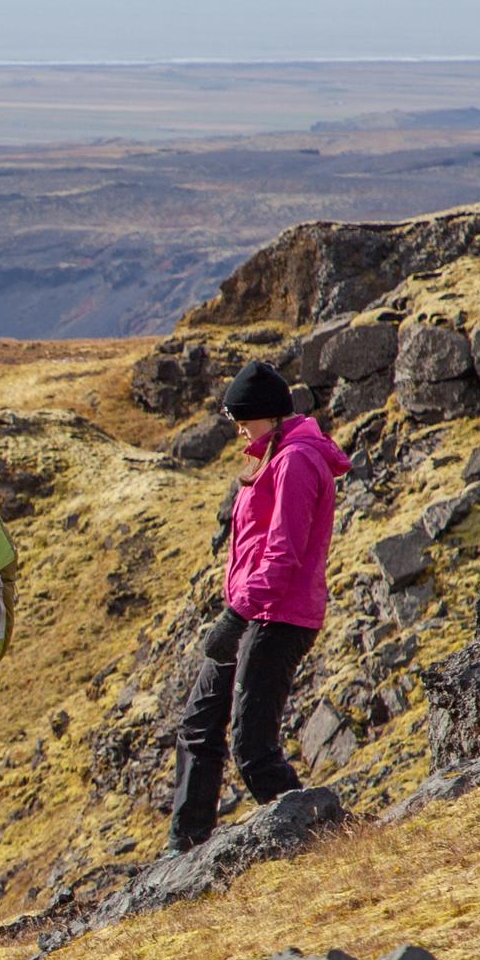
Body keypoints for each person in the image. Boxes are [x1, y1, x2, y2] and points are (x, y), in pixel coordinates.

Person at [166, 361, 348, 853]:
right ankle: (183, 847)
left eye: (242, 417)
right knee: (199, 725)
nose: (238, 428)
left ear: (269, 414)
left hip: (277, 618)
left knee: (253, 748)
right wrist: (237, 612)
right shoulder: (273, 456)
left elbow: (284, 553)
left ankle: (323, 841)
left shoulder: (297, 461)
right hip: (253, 611)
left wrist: (236, 615)